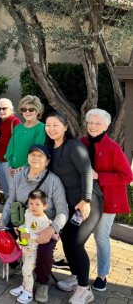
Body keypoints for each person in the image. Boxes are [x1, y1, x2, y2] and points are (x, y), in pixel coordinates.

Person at [0, 144, 68, 303]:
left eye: (40, 156)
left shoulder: (54, 181)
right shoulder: (18, 177)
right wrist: (2, 222)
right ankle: (14, 265)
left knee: (44, 251)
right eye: (32, 155)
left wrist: (52, 229)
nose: (35, 158)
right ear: (28, 158)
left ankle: (42, 282)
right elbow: (10, 201)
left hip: (44, 226)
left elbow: (63, 211)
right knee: (4, 236)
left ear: (47, 161)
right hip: (22, 223)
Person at [46, 111, 103, 304]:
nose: (51, 129)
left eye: (56, 125)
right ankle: (76, 277)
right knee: (66, 239)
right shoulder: (50, 147)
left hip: (88, 202)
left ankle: (85, 289)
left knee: (76, 242)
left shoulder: (73, 146)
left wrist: (86, 200)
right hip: (68, 203)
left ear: (65, 127)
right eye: (48, 125)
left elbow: (87, 172)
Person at [80, 109, 133, 292]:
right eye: (90, 122)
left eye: (97, 123)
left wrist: (98, 176)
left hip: (107, 201)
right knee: (77, 235)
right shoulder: (82, 142)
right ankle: (73, 266)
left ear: (106, 126)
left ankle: (102, 275)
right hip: (84, 199)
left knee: (101, 237)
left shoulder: (113, 148)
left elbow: (127, 176)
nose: (93, 126)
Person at [10, 190, 52, 304]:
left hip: (34, 250)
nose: (33, 207)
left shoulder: (44, 221)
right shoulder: (28, 212)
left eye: (37, 204)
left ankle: (29, 292)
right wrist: (19, 228)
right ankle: (24, 286)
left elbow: (42, 237)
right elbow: (25, 224)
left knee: (27, 269)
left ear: (45, 206)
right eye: (31, 203)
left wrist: (29, 235)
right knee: (24, 267)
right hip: (25, 247)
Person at [5, 96, 45, 177]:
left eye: (31, 109)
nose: (27, 112)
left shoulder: (41, 128)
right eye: (24, 109)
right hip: (13, 171)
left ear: (37, 111)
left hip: (31, 171)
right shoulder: (17, 128)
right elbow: (10, 149)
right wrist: (10, 166)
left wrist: (25, 167)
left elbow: (38, 151)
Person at [0, 98, 20, 198]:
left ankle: (14, 211)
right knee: (5, 188)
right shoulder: (1, 121)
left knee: (12, 189)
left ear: (10, 109)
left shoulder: (15, 121)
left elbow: (16, 143)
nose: (1, 111)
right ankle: (8, 209)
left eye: (4, 108)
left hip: (9, 161)